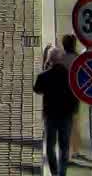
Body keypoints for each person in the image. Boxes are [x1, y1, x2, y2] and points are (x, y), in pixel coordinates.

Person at [33, 44, 79, 175]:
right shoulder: (70, 75)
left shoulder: (44, 76)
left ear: (49, 60)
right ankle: (62, 172)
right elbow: (75, 94)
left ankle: (54, 172)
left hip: (50, 114)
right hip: (66, 115)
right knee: (64, 146)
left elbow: (37, 89)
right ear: (61, 59)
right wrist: (74, 110)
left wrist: (44, 67)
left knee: (50, 145)